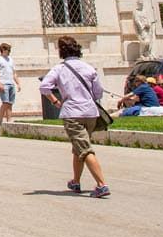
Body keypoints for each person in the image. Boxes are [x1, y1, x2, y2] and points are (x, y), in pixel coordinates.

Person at [38, 35, 110, 197]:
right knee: (78, 148)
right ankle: (76, 181)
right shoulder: (88, 68)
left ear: (61, 51)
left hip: (72, 113)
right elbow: (98, 92)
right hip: (91, 113)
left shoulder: (60, 69)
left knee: (84, 149)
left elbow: (44, 87)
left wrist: (56, 102)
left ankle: (101, 184)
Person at [0, 42, 19, 126]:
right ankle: (0, 121)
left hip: (11, 83)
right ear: (3, 50)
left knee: (10, 103)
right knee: (5, 102)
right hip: (3, 83)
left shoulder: (10, 59)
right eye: (8, 50)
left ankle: (9, 121)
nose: (9, 51)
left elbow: (14, 73)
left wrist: (18, 83)